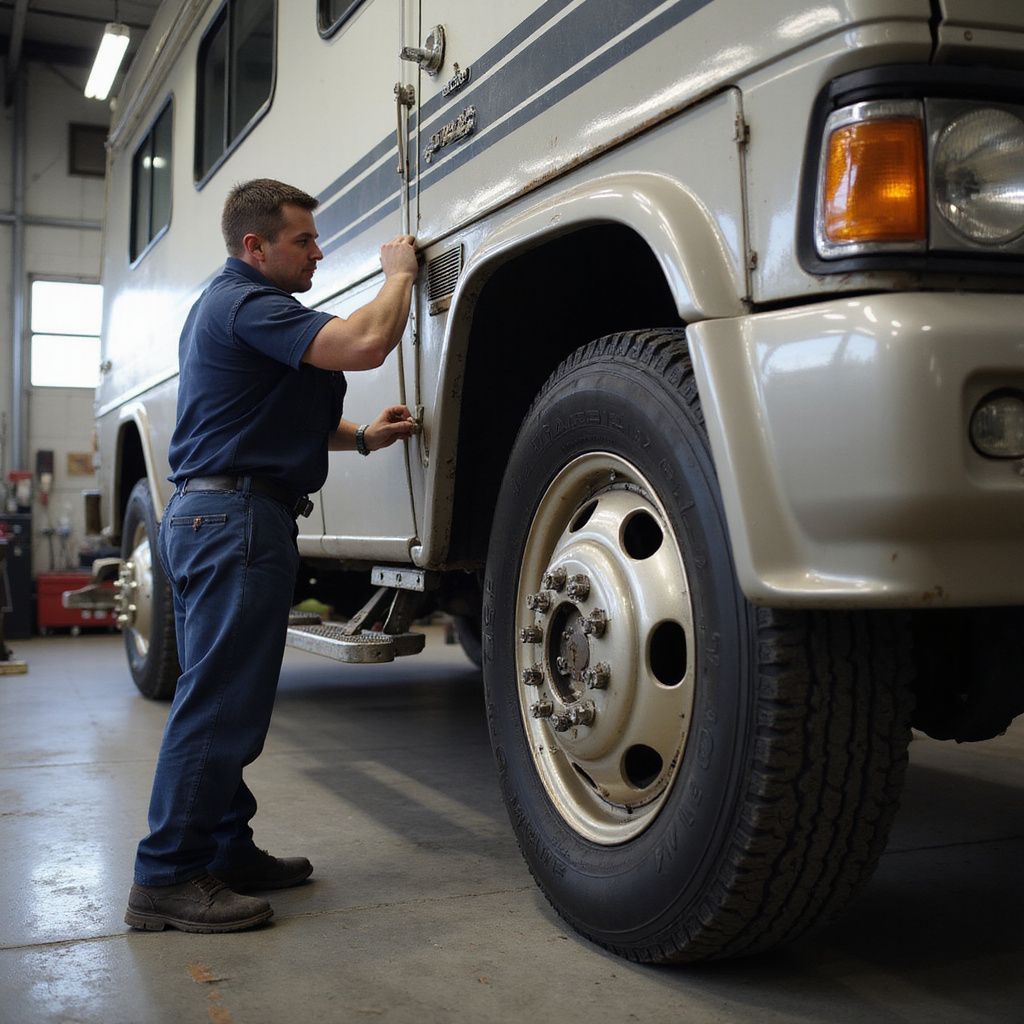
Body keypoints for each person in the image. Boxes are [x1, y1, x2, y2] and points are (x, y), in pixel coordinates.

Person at [125, 179, 419, 933]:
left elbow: (255, 418)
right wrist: (400, 276)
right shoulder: (248, 304)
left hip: (212, 514)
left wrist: (359, 437)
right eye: (304, 241)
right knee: (223, 704)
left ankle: (225, 850)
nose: (318, 251)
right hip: (235, 522)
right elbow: (365, 342)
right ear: (255, 247)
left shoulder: (233, 310)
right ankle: (167, 876)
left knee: (216, 693)